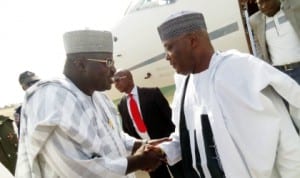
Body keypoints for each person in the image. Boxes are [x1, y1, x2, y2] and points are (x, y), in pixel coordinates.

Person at [153, 11, 300, 178]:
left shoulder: (242, 71)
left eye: (169, 47)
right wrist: (163, 151)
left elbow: (287, 143)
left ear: (192, 41)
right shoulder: (184, 85)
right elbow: (189, 139)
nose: (166, 57)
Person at [15, 30, 168, 178]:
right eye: (108, 62)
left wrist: (142, 144)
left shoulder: (99, 96)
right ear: (81, 64)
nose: (113, 70)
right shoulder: (52, 98)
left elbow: (115, 138)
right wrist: (139, 161)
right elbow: (77, 170)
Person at [114, 69, 184, 178]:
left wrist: (169, 142)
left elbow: (171, 119)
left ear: (128, 78)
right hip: (148, 152)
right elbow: (127, 131)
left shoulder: (153, 93)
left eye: (117, 80)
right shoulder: (121, 105)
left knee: (182, 174)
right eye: (114, 81)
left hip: (167, 146)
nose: (115, 84)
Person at [248, 0, 300, 83]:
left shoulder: (296, 6)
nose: (263, 6)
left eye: (265, 1)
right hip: (280, 74)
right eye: (259, 3)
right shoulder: (255, 20)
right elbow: (259, 48)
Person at [14, 71, 40, 135]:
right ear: (23, 88)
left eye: (36, 82)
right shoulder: (21, 111)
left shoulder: (50, 101)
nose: (34, 85)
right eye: (29, 84)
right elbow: (23, 135)